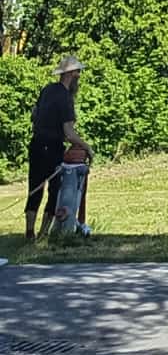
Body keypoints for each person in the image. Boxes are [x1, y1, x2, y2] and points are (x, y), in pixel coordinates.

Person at [25, 56, 90, 246]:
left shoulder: (47, 89)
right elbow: (69, 132)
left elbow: (34, 114)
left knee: (34, 188)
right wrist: (87, 147)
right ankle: (43, 234)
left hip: (36, 143)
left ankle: (29, 233)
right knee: (54, 191)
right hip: (53, 147)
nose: (79, 76)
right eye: (78, 72)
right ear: (71, 74)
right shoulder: (65, 97)